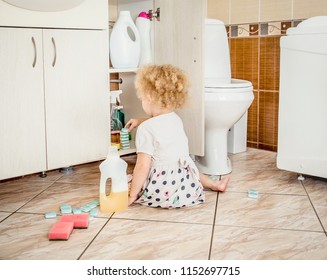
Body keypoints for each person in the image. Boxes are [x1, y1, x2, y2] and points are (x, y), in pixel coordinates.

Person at [125, 64, 229, 208]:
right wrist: (138, 121)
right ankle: (214, 184)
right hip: (186, 182)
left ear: (148, 98)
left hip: (161, 188)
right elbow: (159, 124)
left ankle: (137, 191)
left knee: (130, 180)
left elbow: (142, 166)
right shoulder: (175, 119)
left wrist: (132, 195)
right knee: (189, 165)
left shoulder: (145, 129)